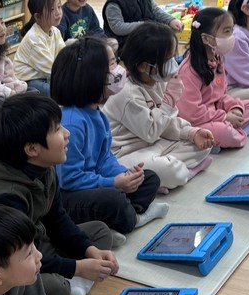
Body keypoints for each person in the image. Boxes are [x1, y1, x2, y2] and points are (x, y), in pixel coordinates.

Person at [0, 94, 119, 295]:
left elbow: (57, 219)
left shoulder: (44, 168)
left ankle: (75, 291)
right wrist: (78, 267)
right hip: (8, 265)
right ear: (32, 149)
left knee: (100, 233)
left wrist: (89, 251)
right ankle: (70, 294)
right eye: (58, 129)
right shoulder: (7, 196)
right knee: (54, 289)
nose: (67, 134)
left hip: (35, 244)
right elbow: (17, 261)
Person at [51, 38, 166, 238]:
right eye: (112, 64)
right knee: (113, 199)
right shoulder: (72, 123)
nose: (119, 70)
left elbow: (105, 158)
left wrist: (125, 175)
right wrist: (112, 183)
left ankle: (121, 218)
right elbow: (69, 179)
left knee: (149, 179)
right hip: (69, 195)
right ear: (91, 76)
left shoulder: (97, 112)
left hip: (95, 186)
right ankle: (134, 219)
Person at [102, 23, 215, 191]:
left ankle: (159, 178)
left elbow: (167, 123)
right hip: (126, 153)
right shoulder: (127, 93)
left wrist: (191, 133)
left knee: (203, 144)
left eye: (174, 56)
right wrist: (169, 100)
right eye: (167, 59)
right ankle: (175, 174)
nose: (173, 63)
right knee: (168, 170)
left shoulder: (157, 80)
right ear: (142, 66)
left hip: (154, 144)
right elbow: (151, 131)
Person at [176, 8, 249, 150]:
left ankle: (230, 132)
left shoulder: (217, 59)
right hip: (197, 122)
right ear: (206, 38)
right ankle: (239, 132)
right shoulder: (188, 71)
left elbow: (221, 96)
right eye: (226, 31)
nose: (231, 36)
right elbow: (191, 114)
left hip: (215, 113)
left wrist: (234, 108)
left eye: (231, 30)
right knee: (223, 131)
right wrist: (224, 117)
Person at [13, 0, 66, 96]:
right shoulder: (34, 39)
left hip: (45, 75)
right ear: (37, 16)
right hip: (27, 81)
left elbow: (64, 56)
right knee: (54, 92)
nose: (58, 12)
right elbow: (53, 69)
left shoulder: (55, 31)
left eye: (59, 7)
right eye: (52, 9)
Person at [102, 0, 183, 52]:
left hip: (146, 31)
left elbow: (155, 10)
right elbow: (118, 27)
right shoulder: (113, 3)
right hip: (126, 39)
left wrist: (170, 20)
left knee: (168, 36)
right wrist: (143, 25)